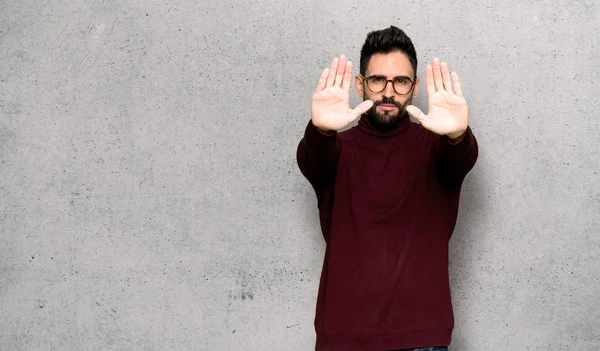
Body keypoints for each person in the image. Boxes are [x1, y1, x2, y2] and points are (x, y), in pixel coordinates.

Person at [296, 26, 478, 351]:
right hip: (343, 338)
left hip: (422, 338)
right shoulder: (335, 150)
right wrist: (320, 129)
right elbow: (313, 159)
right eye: (378, 79)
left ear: (414, 87)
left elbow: (459, 158)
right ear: (360, 84)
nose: (388, 92)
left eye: (401, 81)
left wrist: (457, 135)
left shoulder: (436, 150)